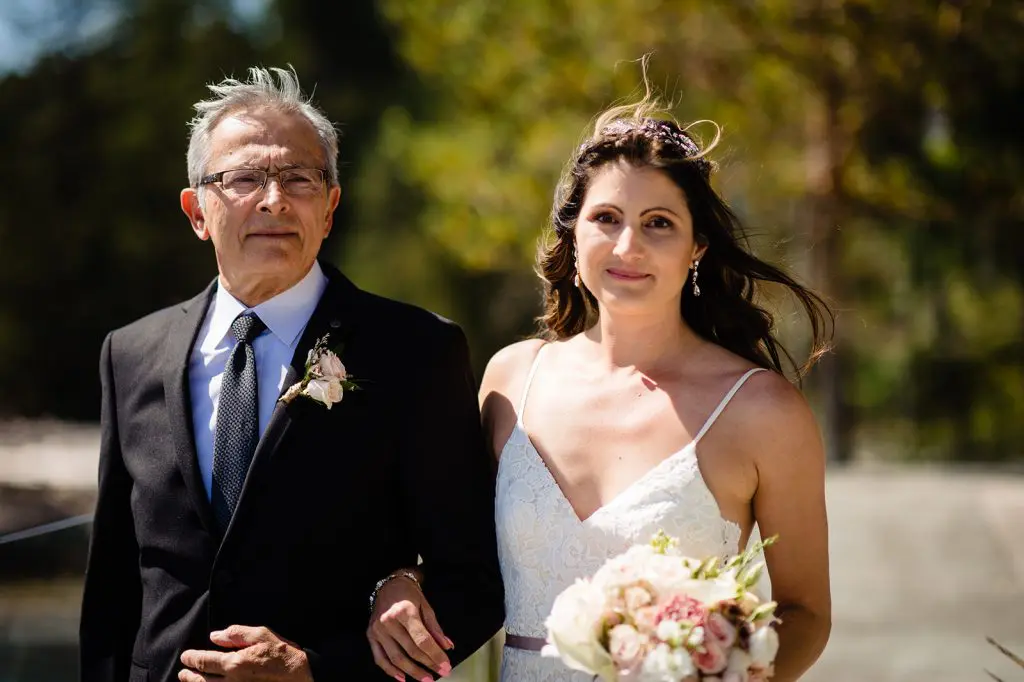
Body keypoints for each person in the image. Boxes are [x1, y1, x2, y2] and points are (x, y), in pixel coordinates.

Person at [368, 90, 833, 681]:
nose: (627, 247)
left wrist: (729, 674)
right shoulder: (512, 379)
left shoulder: (763, 410)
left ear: (697, 248)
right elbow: (459, 557)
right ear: (573, 234)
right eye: (606, 219)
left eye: (658, 224)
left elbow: (807, 612)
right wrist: (400, 581)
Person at [78, 66, 504, 682]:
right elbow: (113, 586)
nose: (274, 200)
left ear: (329, 208)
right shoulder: (130, 353)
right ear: (198, 211)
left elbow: (474, 581)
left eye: (298, 178)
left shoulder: (417, 351)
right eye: (245, 178)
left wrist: (318, 670)